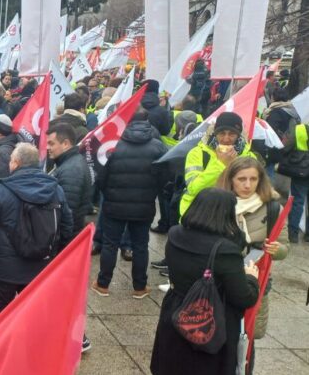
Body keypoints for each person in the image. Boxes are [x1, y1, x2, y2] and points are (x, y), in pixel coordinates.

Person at [149, 189, 260, 375]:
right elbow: (242, 296)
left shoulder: (175, 234)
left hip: (174, 313)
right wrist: (252, 278)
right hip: (205, 322)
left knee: (170, 374)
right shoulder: (225, 251)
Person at [0, 143, 75, 321]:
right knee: (33, 317)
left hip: (3, 270)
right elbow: (67, 227)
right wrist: (53, 254)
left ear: (15, 163)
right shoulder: (56, 190)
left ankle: (1, 349)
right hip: (41, 267)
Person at [93, 111, 167, 298]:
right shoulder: (158, 147)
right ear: (146, 122)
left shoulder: (112, 145)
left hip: (114, 205)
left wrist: (108, 193)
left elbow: (101, 176)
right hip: (144, 206)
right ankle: (140, 287)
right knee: (141, 245)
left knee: (110, 244)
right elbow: (164, 177)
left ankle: (103, 284)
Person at [218, 158, 288, 339]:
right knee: (218, 333)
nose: (248, 185)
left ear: (261, 180)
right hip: (221, 279)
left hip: (256, 280)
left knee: (249, 336)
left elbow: (284, 248)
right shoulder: (218, 204)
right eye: (241, 179)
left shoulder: (273, 207)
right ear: (230, 179)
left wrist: (276, 249)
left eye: (253, 179)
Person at [179, 112, 255, 217]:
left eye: (232, 134)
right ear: (215, 133)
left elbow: (252, 192)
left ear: (238, 136)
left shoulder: (249, 158)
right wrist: (220, 164)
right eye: (222, 133)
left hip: (231, 217)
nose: (226, 139)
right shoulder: (197, 153)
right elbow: (194, 189)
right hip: (197, 215)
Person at [47, 123, 93, 233]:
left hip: (67, 237)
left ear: (65, 144)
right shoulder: (70, 163)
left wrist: (61, 240)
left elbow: (68, 213)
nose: (47, 147)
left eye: (51, 143)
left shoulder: (71, 171)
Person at [277, 112, 309, 243]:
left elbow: (287, 148)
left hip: (301, 170)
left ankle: (293, 234)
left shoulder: (301, 129)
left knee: (297, 201)